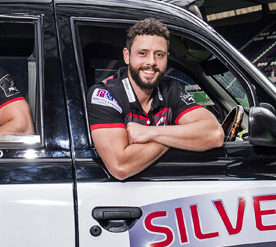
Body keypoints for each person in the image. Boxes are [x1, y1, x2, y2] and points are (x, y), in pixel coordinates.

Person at [87, 18, 223, 180]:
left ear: (167, 57)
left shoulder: (171, 89)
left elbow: (214, 134)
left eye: (159, 55)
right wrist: (176, 134)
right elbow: (120, 166)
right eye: (142, 53)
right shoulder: (105, 94)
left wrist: (151, 133)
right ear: (127, 55)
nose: (151, 62)